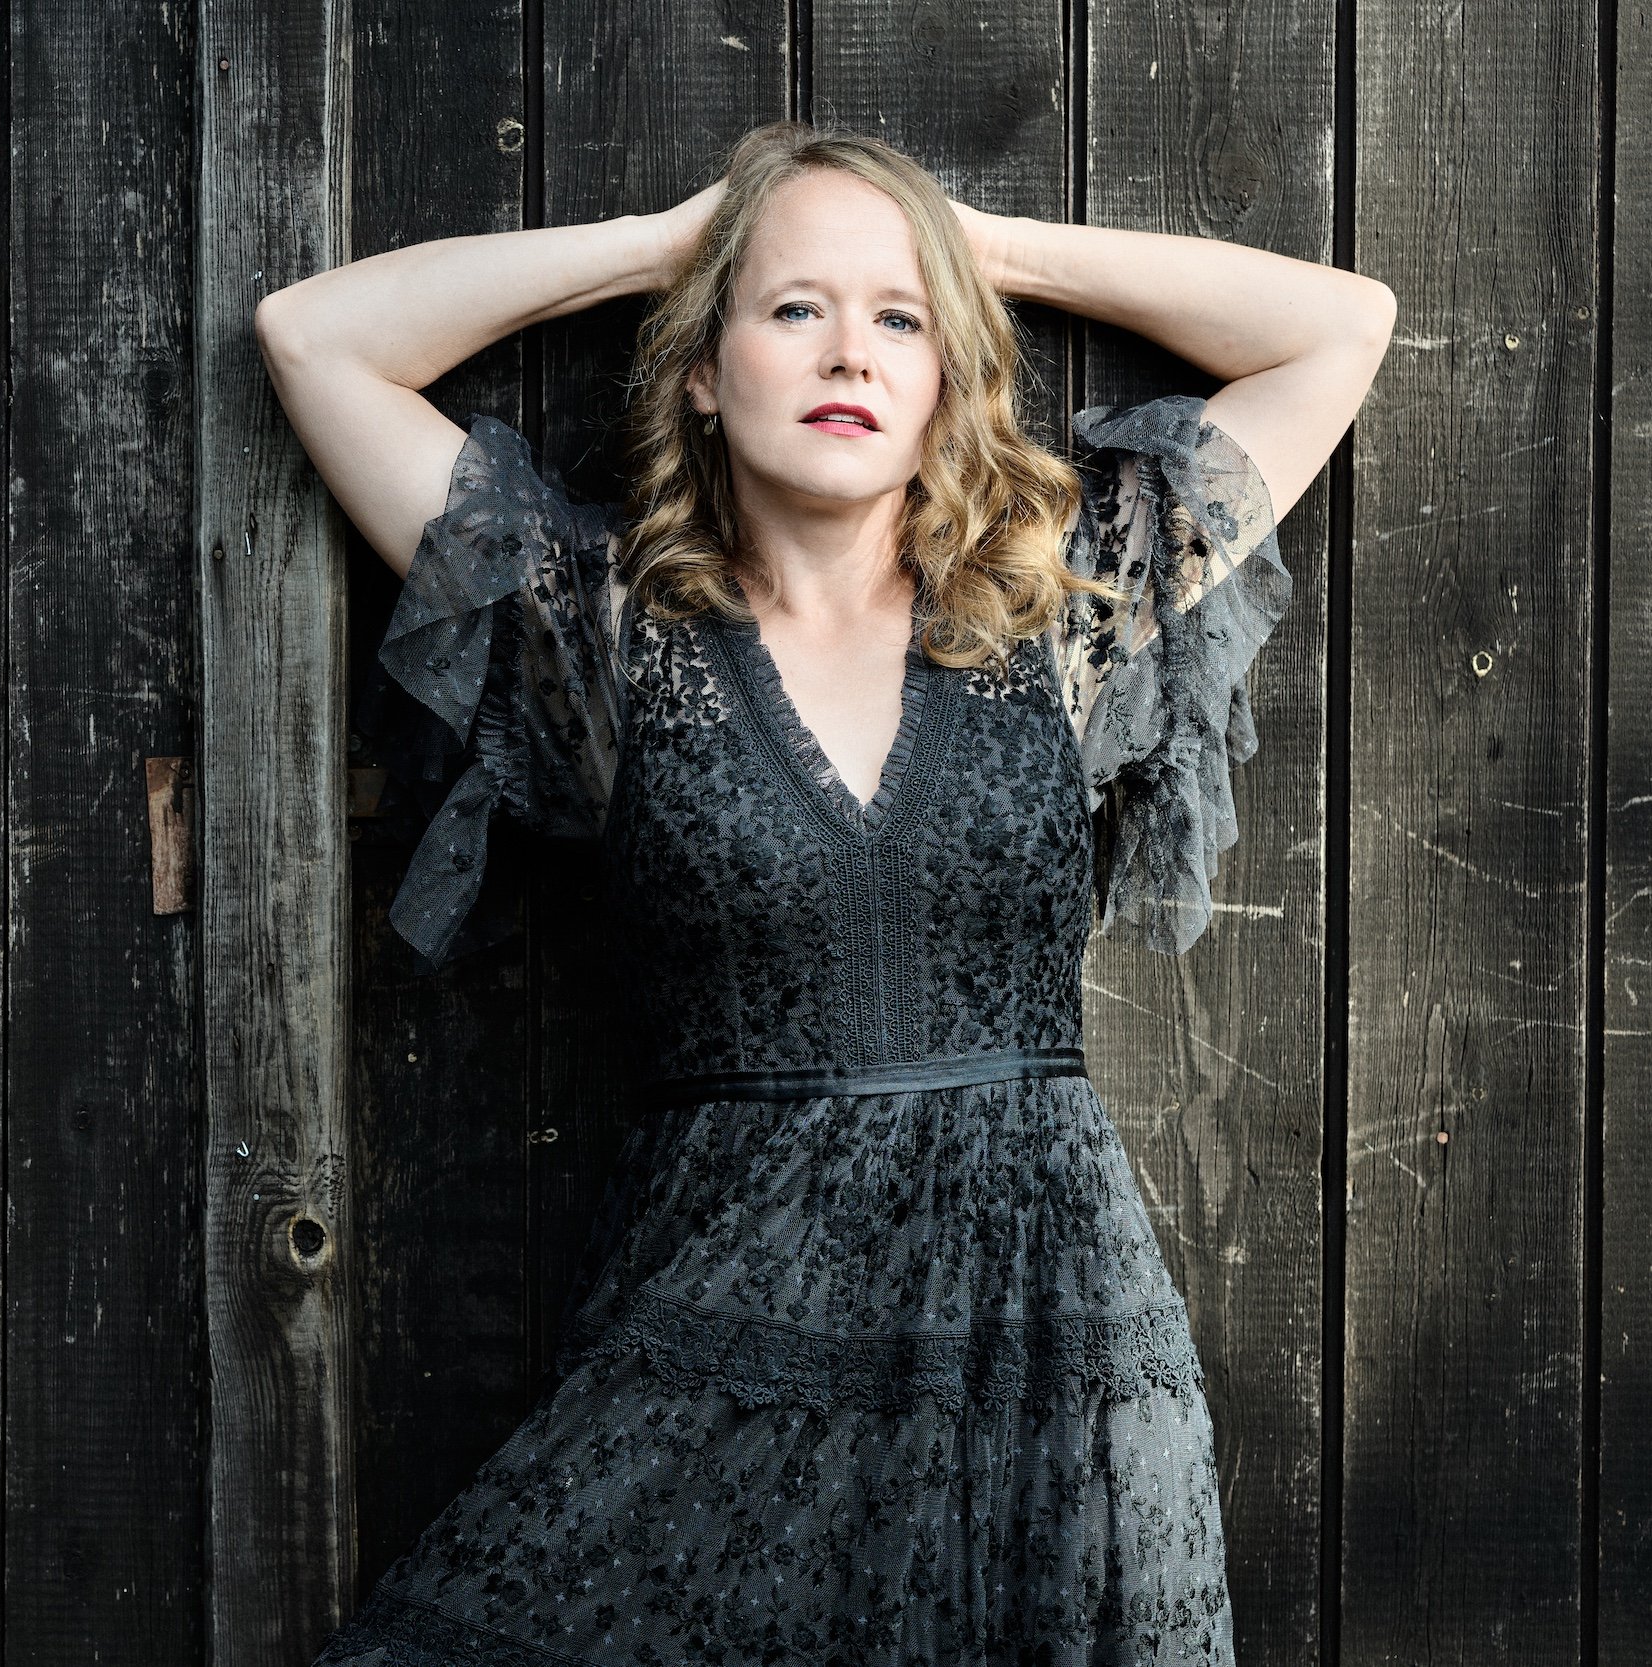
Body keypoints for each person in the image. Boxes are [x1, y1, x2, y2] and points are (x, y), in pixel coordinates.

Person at [256, 120, 1390, 1667]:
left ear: (945, 381)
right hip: (724, 1358)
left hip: (1045, 1361)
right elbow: (312, 341)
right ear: (700, 371)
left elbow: (1339, 328)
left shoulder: (1055, 607)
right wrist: (669, 244)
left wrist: (976, 252)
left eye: (899, 322)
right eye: (794, 309)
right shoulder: (600, 630)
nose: (850, 350)